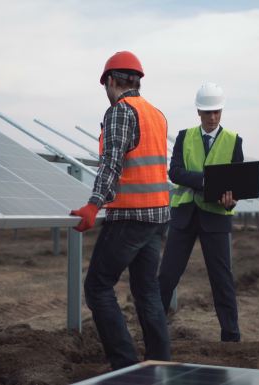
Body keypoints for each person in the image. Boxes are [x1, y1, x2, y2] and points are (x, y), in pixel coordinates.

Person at [70, 51, 171, 370]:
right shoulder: (156, 114)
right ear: (137, 80)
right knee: (147, 291)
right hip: (157, 217)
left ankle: (125, 364)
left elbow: (112, 162)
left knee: (97, 287)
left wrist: (93, 204)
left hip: (130, 216)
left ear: (111, 81)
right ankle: (160, 361)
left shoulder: (120, 111)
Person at [158, 82, 244, 342]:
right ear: (198, 112)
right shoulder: (185, 137)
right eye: (207, 112)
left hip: (216, 218)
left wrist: (230, 200)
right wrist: (205, 181)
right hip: (184, 217)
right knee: (166, 276)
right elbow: (174, 172)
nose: (212, 117)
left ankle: (231, 336)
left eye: (217, 111)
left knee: (222, 281)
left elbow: (236, 184)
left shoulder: (233, 141)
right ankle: (154, 332)